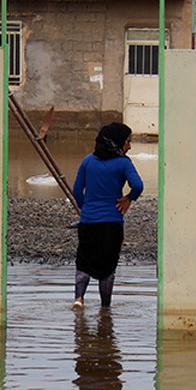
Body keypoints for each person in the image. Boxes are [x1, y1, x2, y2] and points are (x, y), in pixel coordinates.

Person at [71, 122, 143, 309]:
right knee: (107, 267)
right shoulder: (123, 163)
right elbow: (138, 185)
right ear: (117, 142)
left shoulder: (87, 161)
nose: (129, 146)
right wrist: (128, 199)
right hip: (112, 223)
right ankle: (105, 309)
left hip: (88, 222)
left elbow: (77, 190)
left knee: (84, 261)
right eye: (127, 141)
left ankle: (79, 299)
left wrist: (85, 207)